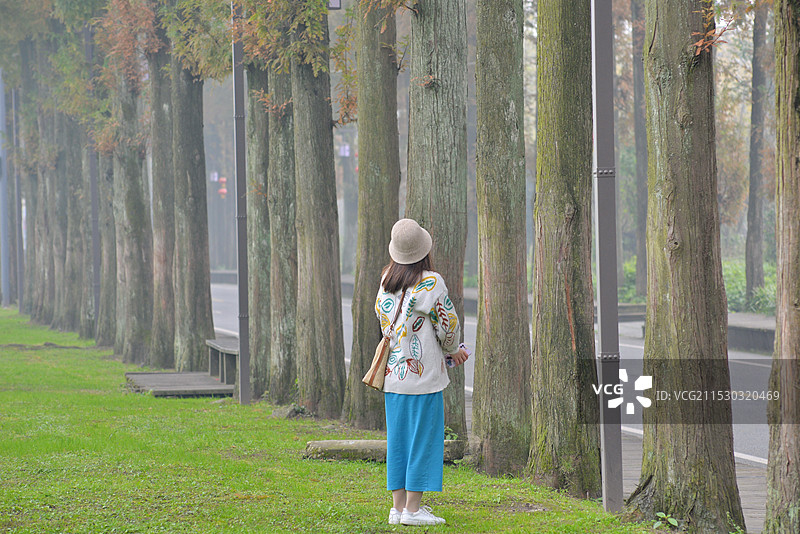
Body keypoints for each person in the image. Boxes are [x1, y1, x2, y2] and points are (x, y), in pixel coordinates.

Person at [375, 218, 470, 527]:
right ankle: (413, 510)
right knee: (423, 439)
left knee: (398, 441)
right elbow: (449, 325)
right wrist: (454, 350)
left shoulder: (386, 280)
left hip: (393, 376)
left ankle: (397, 507)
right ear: (423, 250)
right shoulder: (431, 282)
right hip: (424, 377)